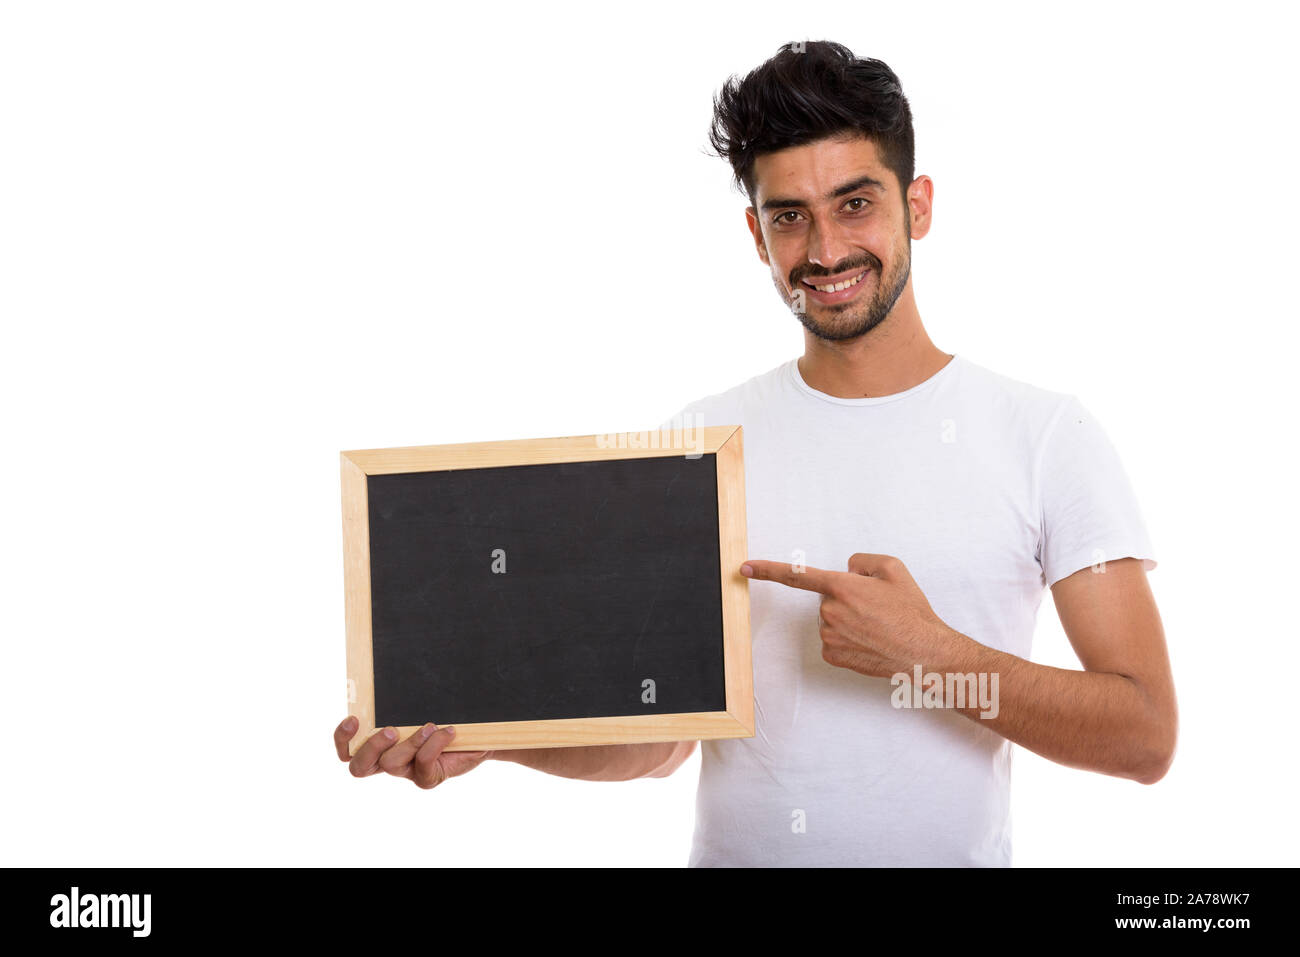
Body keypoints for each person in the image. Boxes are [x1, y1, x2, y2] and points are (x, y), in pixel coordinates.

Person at [334, 40, 1177, 866]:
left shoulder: (1043, 435)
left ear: (918, 204)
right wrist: (488, 737)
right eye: (789, 217)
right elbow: (659, 741)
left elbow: (1143, 734)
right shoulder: (697, 447)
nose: (824, 251)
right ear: (755, 231)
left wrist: (933, 655)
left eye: (856, 203)